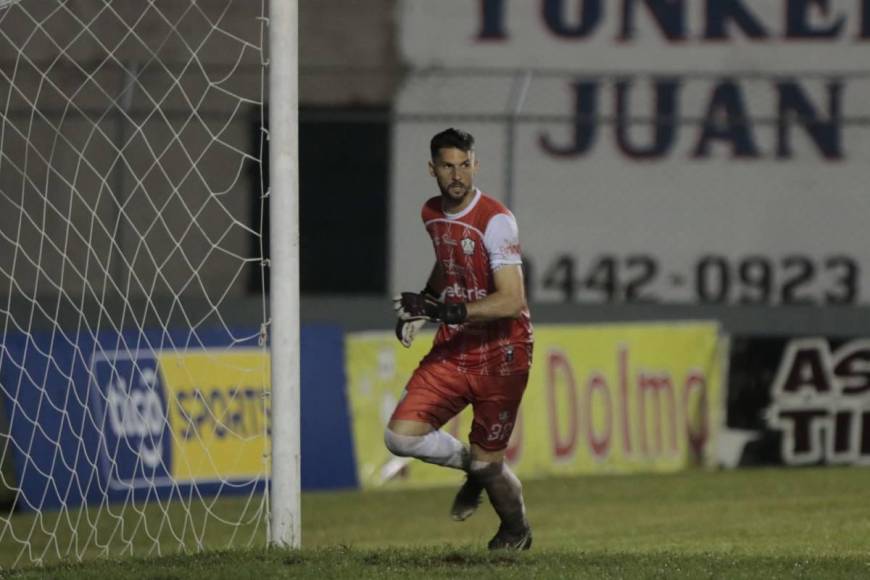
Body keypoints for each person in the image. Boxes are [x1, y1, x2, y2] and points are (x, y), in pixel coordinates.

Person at [385, 128, 534, 551]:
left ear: (476, 165)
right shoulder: (431, 212)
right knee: (401, 437)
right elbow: (448, 262)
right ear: (432, 168)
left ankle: (515, 531)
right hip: (456, 346)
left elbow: (511, 300)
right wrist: (428, 300)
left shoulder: (495, 220)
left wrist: (445, 311)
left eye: (464, 164)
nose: (457, 174)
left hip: (504, 352)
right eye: (448, 166)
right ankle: (477, 467)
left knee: (491, 467)